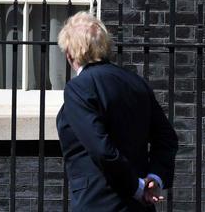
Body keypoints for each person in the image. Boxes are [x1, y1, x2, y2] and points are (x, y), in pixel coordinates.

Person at [56, 12, 178, 211]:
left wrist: (137, 187)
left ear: (69, 52)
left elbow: (102, 149)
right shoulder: (136, 83)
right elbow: (167, 138)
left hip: (98, 202)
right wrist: (155, 178)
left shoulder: (78, 87)